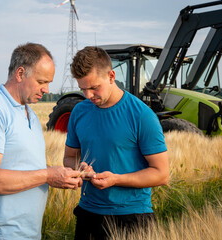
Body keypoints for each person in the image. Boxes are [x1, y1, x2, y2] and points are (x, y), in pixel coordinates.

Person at [0, 43, 82, 240]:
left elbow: (24, 166)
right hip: (0, 234)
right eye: (41, 81)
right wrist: (47, 175)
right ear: (20, 74)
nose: (46, 89)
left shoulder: (30, 115)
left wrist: (62, 175)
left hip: (29, 233)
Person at [63, 46, 169, 239]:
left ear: (111, 76)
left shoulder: (141, 115)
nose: (88, 95)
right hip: (88, 214)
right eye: (83, 89)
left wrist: (116, 179)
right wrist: (79, 168)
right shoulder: (79, 112)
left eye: (94, 87)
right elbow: (69, 157)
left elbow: (161, 174)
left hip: (132, 218)